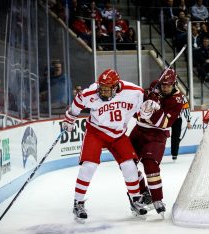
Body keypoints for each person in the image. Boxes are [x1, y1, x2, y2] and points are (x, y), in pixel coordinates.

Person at [61, 69, 147, 222]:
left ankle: (135, 200)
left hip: (118, 134)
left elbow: (144, 106)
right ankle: (78, 203)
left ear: (115, 87)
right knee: (89, 166)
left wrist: (148, 109)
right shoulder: (91, 93)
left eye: (107, 89)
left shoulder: (134, 92)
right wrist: (70, 118)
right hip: (96, 132)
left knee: (130, 166)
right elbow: (77, 103)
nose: (103, 91)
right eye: (102, 88)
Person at [129, 68, 184, 216]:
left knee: (150, 165)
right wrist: (144, 106)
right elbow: (136, 109)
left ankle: (157, 199)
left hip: (157, 135)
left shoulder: (177, 100)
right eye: (163, 85)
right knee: (127, 164)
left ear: (174, 84)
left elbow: (164, 123)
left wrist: (151, 112)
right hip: (139, 131)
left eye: (169, 85)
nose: (165, 87)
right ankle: (142, 192)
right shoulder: (155, 86)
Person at [171, 94, 192, 161]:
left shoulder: (182, 97)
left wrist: (188, 121)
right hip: (165, 118)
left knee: (176, 137)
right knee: (161, 136)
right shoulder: (165, 94)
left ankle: (174, 154)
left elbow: (186, 108)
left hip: (177, 119)